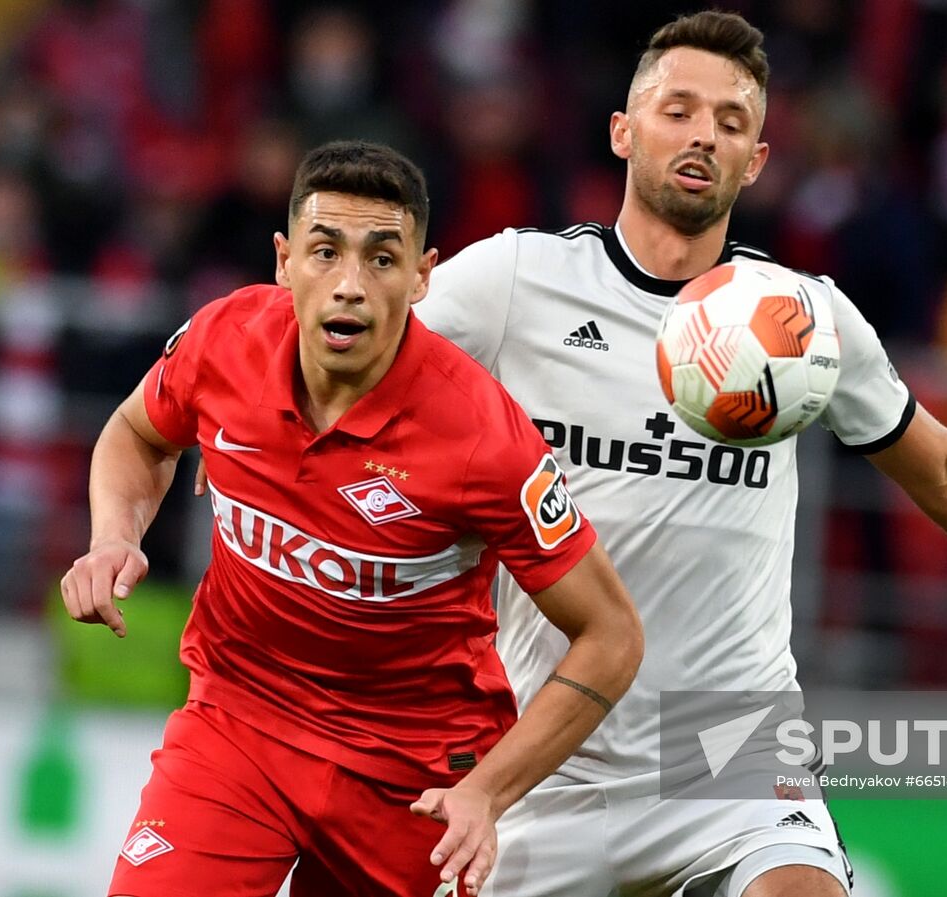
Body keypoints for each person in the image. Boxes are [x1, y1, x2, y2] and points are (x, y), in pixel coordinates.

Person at [414, 11, 947, 897]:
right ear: (622, 132)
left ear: (755, 161)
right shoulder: (511, 284)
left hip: (732, 753)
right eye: (678, 109)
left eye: (732, 120)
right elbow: (356, 369)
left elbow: (938, 467)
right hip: (538, 759)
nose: (704, 132)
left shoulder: (805, 322)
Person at [60, 141, 643, 897]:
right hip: (238, 724)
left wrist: (489, 792)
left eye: (381, 259)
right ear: (283, 260)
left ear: (423, 275)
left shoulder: (482, 438)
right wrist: (114, 534)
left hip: (414, 775)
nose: (349, 286)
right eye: (325, 252)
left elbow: (612, 635)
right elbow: (139, 432)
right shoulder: (222, 341)